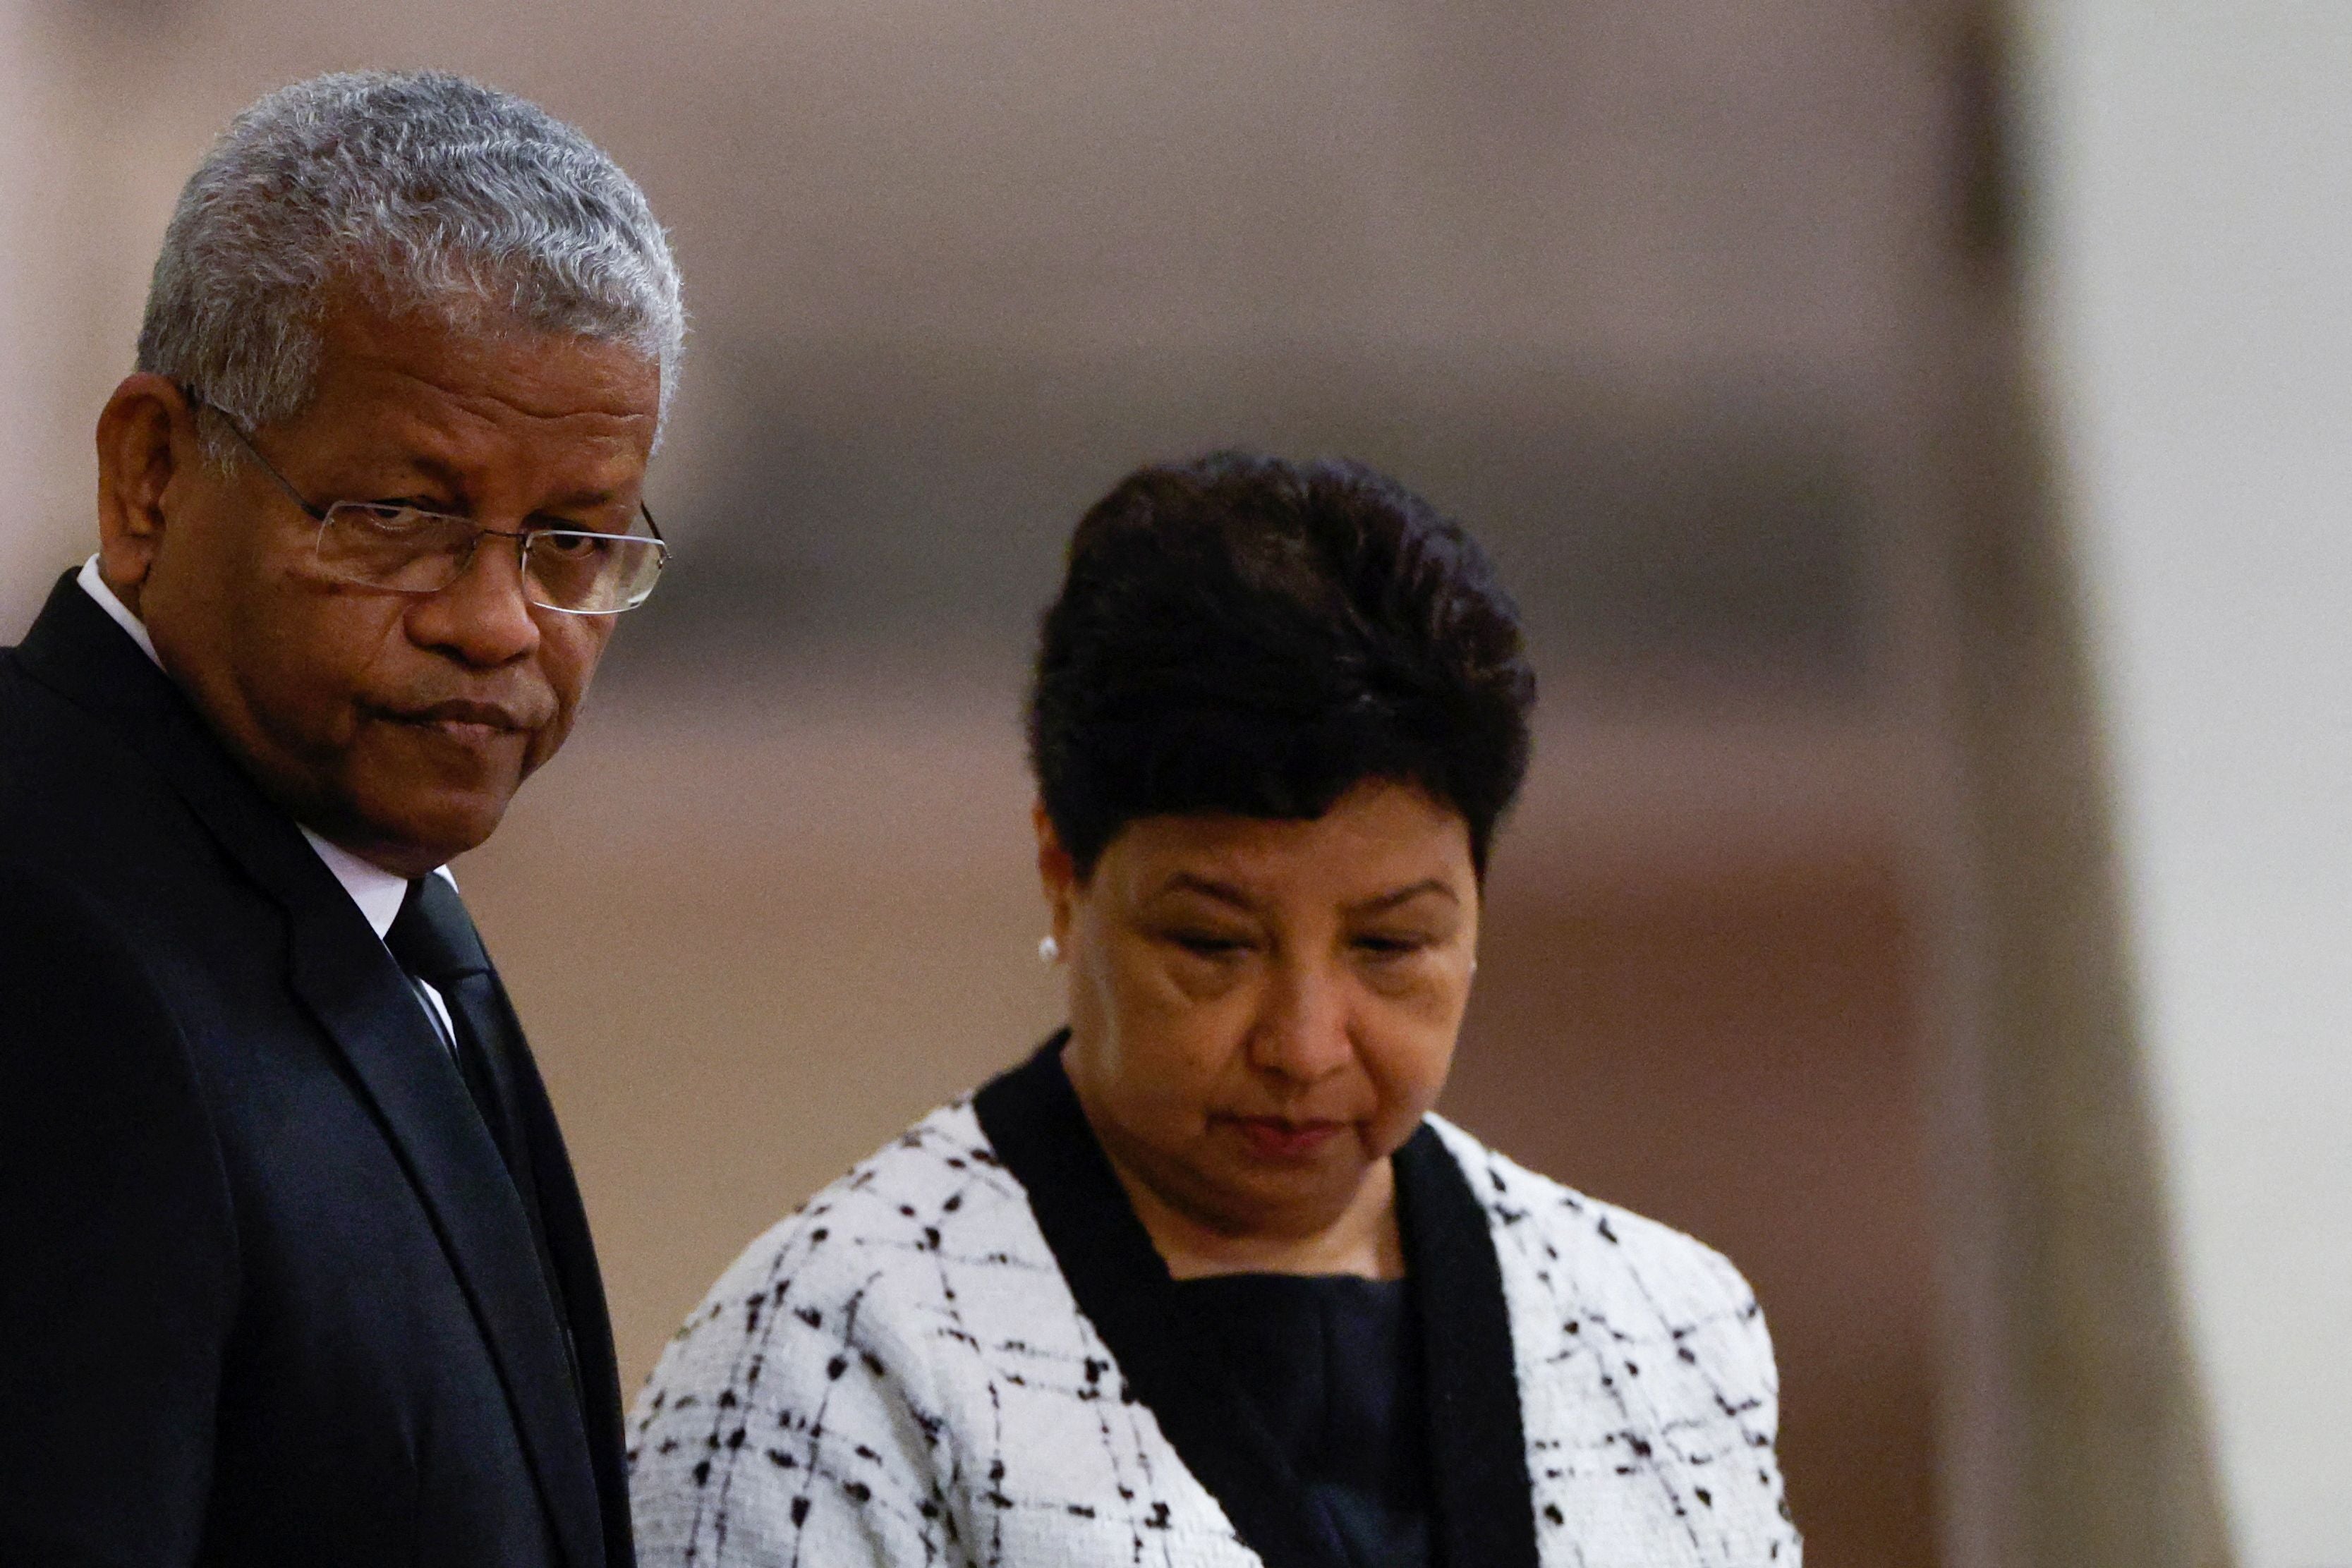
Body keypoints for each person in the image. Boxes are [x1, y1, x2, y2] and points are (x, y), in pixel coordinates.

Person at [627, 454, 1802, 1567]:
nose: (1301, 1046)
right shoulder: (829, 1352)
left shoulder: (1660, 1328)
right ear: (1064, 872)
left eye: (1391, 946)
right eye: (1212, 943)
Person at [0, 71, 682, 1567]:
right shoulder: (48, 949)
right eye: (398, 517)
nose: (499, 622)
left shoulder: (371, 891)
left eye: (574, 542)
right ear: (152, 472)